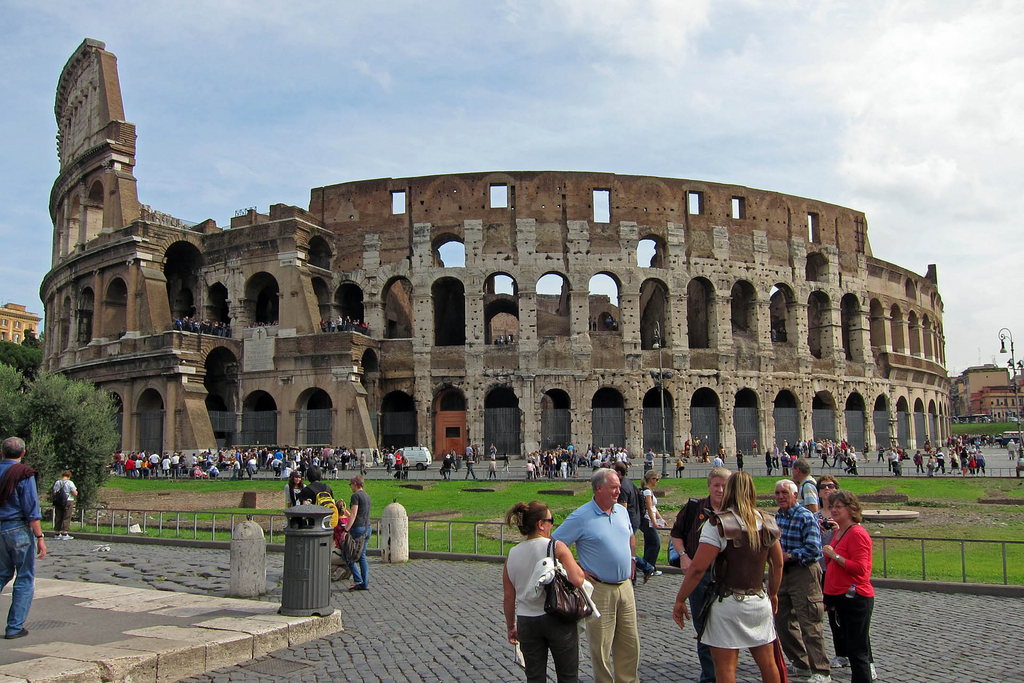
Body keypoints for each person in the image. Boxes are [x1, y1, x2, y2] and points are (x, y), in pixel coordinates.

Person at [672, 471, 783, 683]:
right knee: (769, 664)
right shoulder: (767, 521)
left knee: (725, 669)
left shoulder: (719, 524)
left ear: (729, 490)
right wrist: (774, 593)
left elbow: (697, 569)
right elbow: (777, 564)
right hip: (759, 600)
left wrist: (680, 599)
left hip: (728, 602)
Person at [552, 469, 640, 683]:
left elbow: (630, 537)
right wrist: (577, 568)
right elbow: (554, 544)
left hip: (625, 586)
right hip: (599, 589)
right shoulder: (581, 517)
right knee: (601, 646)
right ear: (598, 488)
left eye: (619, 486)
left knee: (630, 643)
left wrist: (633, 560)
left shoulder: (621, 511)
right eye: (614, 487)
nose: (619, 491)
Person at [502, 501, 585, 683]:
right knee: (568, 677)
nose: (552, 525)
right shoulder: (556, 547)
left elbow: (509, 597)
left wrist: (511, 626)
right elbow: (577, 580)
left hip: (526, 622)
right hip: (557, 617)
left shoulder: (512, 553)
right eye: (551, 520)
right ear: (541, 524)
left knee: (534, 678)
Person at [669, 465, 730, 683]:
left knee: (727, 630)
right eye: (716, 485)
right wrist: (684, 556)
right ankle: (709, 677)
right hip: (699, 576)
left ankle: (725, 674)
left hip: (727, 578)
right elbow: (676, 534)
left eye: (724, 486)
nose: (720, 490)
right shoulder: (695, 508)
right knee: (703, 628)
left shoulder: (735, 511)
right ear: (709, 486)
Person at [774, 479, 831, 683]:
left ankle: (822, 670)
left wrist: (788, 555)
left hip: (804, 571)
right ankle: (801, 663)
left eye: (784, 493)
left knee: (810, 622)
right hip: (781, 572)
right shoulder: (777, 517)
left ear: (795, 495)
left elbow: (814, 550)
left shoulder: (806, 516)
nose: (780, 496)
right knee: (781, 621)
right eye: (777, 493)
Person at [821, 490, 876, 683]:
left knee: (857, 652)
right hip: (841, 598)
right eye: (832, 506)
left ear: (851, 509)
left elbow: (861, 569)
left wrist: (835, 555)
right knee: (851, 650)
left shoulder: (857, 534)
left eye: (838, 507)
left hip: (856, 598)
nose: (833, 510)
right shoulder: (839, 531)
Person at [0, 437, 47, 639]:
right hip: (18, 527)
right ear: (23, 452)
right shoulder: (24, 474)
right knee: (25, 576)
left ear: (2, 452)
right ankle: (14, 627)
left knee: (2, 574)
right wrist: (40, 536)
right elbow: (31, 508)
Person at [613, 462, 657, 582]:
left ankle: (645, 568)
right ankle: (634, 576)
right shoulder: (629, 481)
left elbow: (622, 508)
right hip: (636, 518)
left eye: (612, 470)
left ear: (618, 473)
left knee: (624, 548)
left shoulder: (622, 486)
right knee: (626, 548)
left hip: (629, 520)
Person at [342, 475, 371, 591]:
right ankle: (365, 582)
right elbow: (358, 514)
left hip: (358, 529)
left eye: (351, 485)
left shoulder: (355, 496)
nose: (350, 487)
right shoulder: (367, 496)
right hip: (367, 528)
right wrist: (346, 512)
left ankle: (358, 579)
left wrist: (346, 530)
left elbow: (354, 515)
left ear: (355, 484)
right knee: (362, 556)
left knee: (347, 554)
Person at [639, 470, 667, 579]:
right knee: (656, 543)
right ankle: (649, 567)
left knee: (649, 543)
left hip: (649, 520)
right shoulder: (647, 492)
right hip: (647, 520)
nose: (658, 481)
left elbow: (654, 508)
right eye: (657, 479)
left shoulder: (649, 491)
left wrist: (660, 518)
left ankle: (645, 565)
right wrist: (654, 522)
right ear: (651, 479)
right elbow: (649, 508)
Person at [51, 471, 78, 540]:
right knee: (67, 516)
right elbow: (74, 493)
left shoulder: (57, 482)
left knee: (58, 516)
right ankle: (64, 533)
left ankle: (57, 533)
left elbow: (54, 492)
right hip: (68, 500)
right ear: (69, 476)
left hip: (59, 501)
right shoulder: (70, 483)